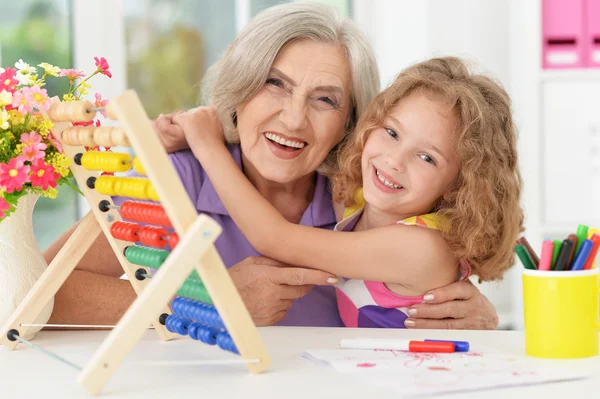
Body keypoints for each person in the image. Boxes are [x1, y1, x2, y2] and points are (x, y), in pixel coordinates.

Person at [45, 4, 499, 329]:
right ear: (239, 89)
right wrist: (207, 301)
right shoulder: (176, 180)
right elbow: (32, 293)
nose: (294, 119)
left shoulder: (368, 194)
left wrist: (481, 322)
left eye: (325, 99)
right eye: (275, 84)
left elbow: (429, 278)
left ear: (352, 122)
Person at [170, 56, 523, 328]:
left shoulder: (421, 248)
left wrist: (207, 146)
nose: (393, 161)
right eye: (392, 133)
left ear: (459, 186)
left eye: (428, 157)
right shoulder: (360, 196)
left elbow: (273, 237)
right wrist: (170, 133)